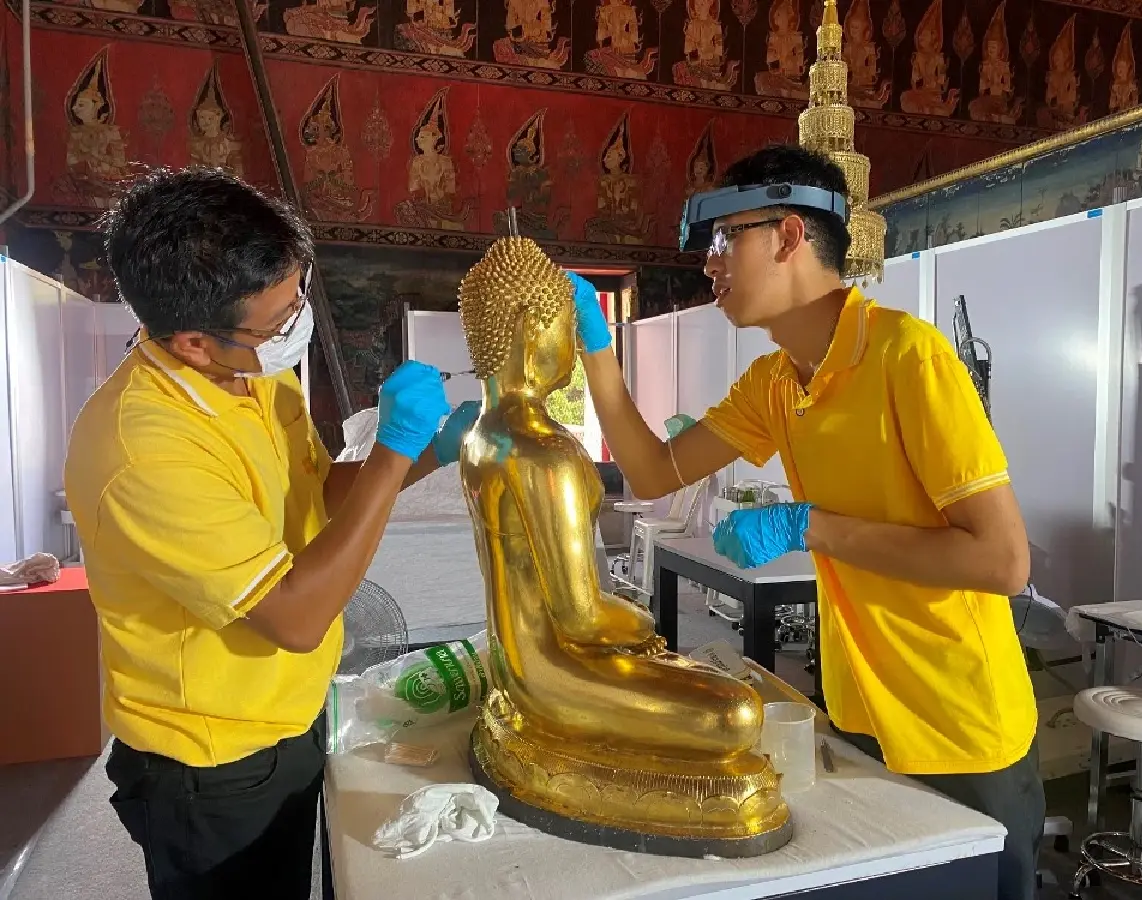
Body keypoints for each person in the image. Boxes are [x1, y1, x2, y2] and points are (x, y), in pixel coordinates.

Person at [569, 143, 1044, 900]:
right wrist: (597, 351)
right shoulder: (774, 383)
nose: (709, 264)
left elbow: (1002, 562)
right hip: (858, 712)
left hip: (960, 728)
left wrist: (810, 527)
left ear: (789, 236)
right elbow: (655, 471)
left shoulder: (906, 358)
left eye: (725, 239)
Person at [64, 167, 479, 899]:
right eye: (279, 319)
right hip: (212, 760)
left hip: (290, 714)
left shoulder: (252, 372)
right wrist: (391, 447)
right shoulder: (145, 449)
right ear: (193, 341)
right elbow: (297, 614)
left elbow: (317, 493)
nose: (296, 326)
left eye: (299, 299)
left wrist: (427, 453)